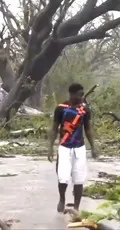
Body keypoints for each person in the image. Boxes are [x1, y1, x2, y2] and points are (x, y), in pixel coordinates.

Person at [47, 83, 97, 213]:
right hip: (64, 147)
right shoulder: (61, 108)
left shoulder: (85, 110)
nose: (82, 97)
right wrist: (50, 147)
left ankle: (76, 207)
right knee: (63, 177)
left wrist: (93, 147)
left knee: (79, 179)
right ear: (72, 94)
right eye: (80, 94)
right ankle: (62, 198)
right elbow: (54, 128)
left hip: (79, 148)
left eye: (82, 94)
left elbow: (88, 128)